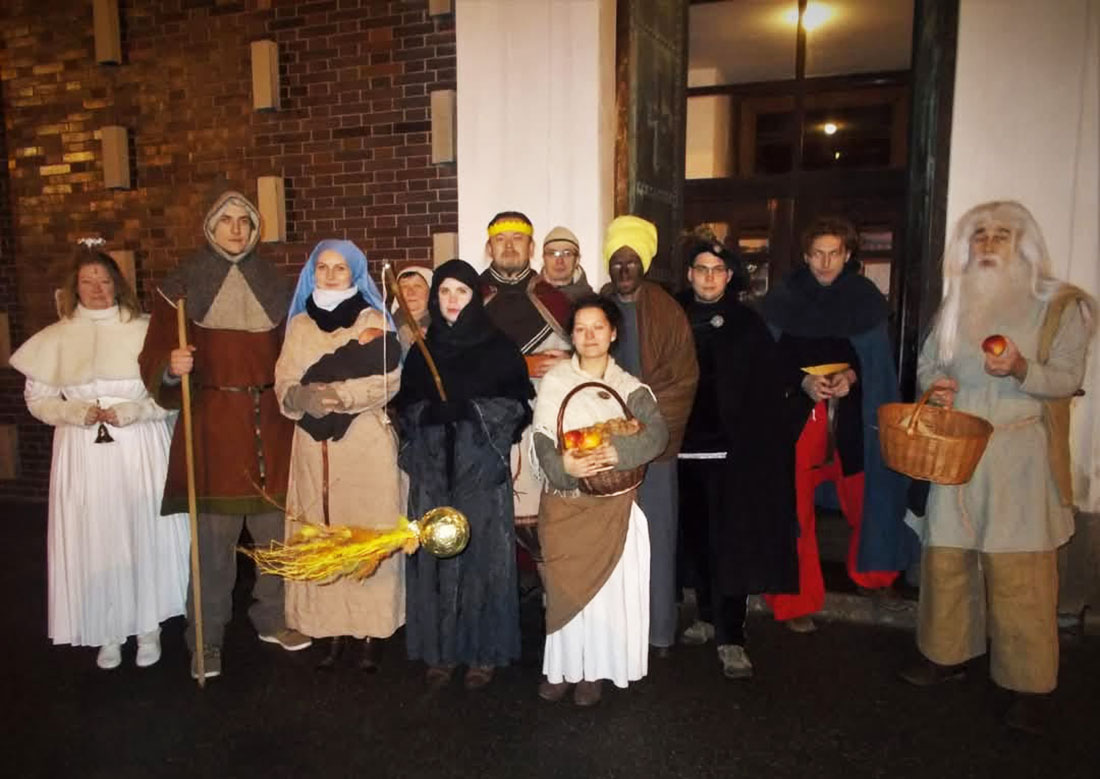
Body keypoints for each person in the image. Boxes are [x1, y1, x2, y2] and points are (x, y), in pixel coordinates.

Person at [901, 201, 1095, 733]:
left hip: (1019, 457)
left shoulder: (1059, 306)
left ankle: (1028, 684)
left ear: (1023, 244)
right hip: (955, 452)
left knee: (1020, 575)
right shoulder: (957, 303)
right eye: (979, 234)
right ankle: (946, 655)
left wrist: (1020, 367)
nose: (987, 243)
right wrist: (936, 386)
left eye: (1001, 234)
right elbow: (927, 364)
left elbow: (1067, 378)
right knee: (946, 560)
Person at [139, 185, 310, 680]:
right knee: (213, 549)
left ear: (254, 229)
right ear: (210, 228)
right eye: (226, 220)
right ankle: (206, 638)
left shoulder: (275, 285)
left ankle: (272, 618)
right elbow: (153, 355)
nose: (236, 229)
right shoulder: (182, 286)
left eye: (244, 221)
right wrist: (170, 365)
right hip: (213, 428)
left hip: (272, 426)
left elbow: (297, 352)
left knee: (276, 539)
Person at [11, 248, 190, 670]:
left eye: (104, 280)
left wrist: (135, 410)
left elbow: (169, 396)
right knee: (97, 536)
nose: (96, 289)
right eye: (87, 282)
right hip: (82, 451)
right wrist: (74, 412)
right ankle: (108, 629)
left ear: (117, 285)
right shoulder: (56, 336)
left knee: (142, 530)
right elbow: (37, 400)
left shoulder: (145, 330)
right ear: (74, 288)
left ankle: (148, 626)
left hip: (139, 445)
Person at [760, 216, 915, 633]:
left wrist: (851, 377)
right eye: (818, 254)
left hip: (854, 417)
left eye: (834, 253)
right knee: (794, 505)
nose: (825, 262)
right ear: (806, 255)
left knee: (867, 493)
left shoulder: (864, 299)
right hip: (798, 416)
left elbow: (876, 364)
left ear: (848, 255)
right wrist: (801, 381)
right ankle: (794, 597)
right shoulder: (783, 299)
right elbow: (766, 360)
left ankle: (875, 574)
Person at [396, 259, 534, 691]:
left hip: (480, 472)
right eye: (444, 291)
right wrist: (426, 415)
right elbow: (403, 410)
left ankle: (482, 652)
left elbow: (517, 408)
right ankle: (441, 652)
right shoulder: (422, 351)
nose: (452, 300)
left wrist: (471, 411)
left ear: (475, 296)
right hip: (434, 471)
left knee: (481, 561)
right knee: (437, 557)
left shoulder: (499, 348)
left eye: (461, 291)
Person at [531, 296, 668, 706]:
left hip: (612, 508)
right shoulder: (555, 382)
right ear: (571, 336)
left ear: (613, 333)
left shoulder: (629, 388)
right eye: (580, 329)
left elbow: (657, 435)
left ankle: (594, 672)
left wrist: (618, 453)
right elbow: (541, 439)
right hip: (565, 504)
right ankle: (562, 669)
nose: (589, 336)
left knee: (603, 599)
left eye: (598, 327)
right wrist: (564, 466)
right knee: (564, 593)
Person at [274, 240, 403, 671]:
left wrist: (337, 396)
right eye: (323, 268)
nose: (330, 276)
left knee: (365, 531)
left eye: (340, 268)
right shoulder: (299, 325)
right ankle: (329, 626)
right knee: (321, 530)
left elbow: (388, 379)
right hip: (313, 448)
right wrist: (299, 397)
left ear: (355, 275)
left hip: (362, 442)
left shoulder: (372, 319)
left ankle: (369, 629)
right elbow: (284, 378)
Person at [675, 241, 799, 678]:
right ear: (689, 273)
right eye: (701, 268)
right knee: (694, 541)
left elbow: (768, 384)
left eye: (718, 270)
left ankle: (732, 637)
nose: (709, 277)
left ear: (729, 277)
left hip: (731, 454)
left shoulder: (748, 324)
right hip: (681, 450)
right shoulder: (673, 316)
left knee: (730, 544)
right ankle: (707, 616)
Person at [600, 215, 699, 655]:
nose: (624, 269)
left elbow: (683, 380)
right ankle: (613, 632)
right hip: (605, 448)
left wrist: (641, 426)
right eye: (616, 261)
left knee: (656, 536)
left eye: (631, 260)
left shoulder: (667, 311)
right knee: (610, 541)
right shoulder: (598, 307)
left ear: (644, 263)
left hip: (654, 447)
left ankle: (657, 630)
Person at [478, 211, 574, 554]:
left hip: (541, 428)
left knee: (543, 536)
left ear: (531, 247)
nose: (509, 246)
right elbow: (456, 362)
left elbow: (585, 356)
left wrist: (570, 359)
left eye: (517, 239)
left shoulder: (555, 299)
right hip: (484, 428)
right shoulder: (469, 297)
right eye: (500, 239)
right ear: (489, 248)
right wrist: (522, 365)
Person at [539, 226, 593, 302]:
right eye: (553, 253)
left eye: (567, 254)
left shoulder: (592, 303)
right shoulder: (529, 298)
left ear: (577, 259)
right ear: (544, 258)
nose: (559, 261)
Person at [392, 265, 432, 352]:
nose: (410, 292)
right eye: (404, 287)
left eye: (417, 286)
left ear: (430, 292)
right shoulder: (387, 325)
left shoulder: (442, 327)